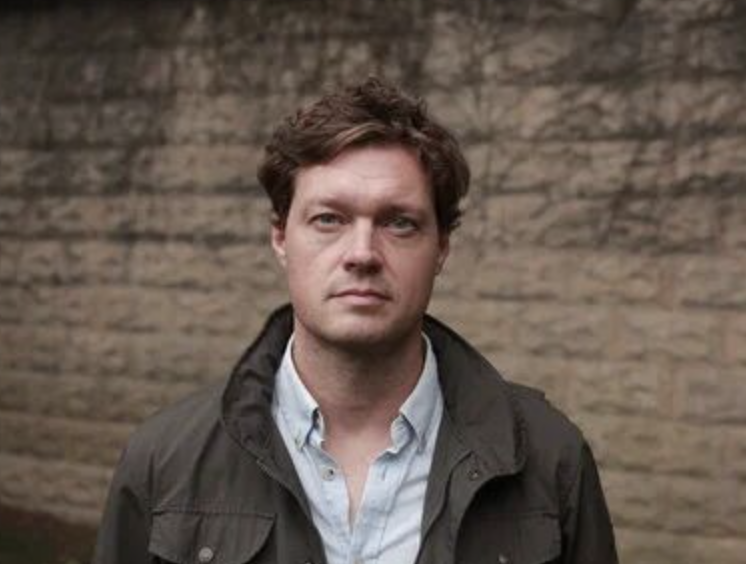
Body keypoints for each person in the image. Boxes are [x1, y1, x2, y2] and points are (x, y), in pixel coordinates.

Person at [94, 77, 618, 564]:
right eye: (329, 219)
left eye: (399, 223)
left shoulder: (550, 458)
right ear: (280, 237)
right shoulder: (164, 461)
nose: (362, 253)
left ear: (441, 247)